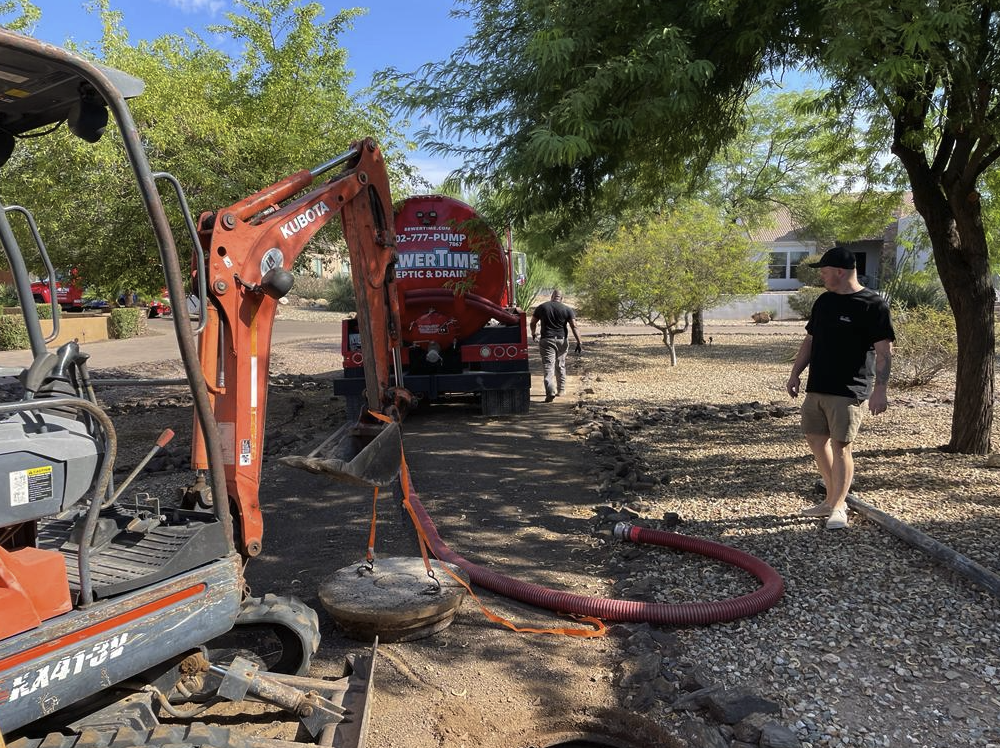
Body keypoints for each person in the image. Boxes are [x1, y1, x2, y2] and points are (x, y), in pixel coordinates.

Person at [785, 246, 895, 530]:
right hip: (818, 385)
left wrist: (880, 390)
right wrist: (796, 373)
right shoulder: (824, 302)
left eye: (824, 271)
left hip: (849, 389)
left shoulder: (873, 305)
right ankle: (832, 498)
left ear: (840, 272)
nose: (821, 276)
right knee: (814, 438)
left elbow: (884, 351)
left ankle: (837, 506)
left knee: (841, 445)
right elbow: (809, 341)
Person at [530, 289, 583, 402]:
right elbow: (574, 326)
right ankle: (561, 390)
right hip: (561, 340)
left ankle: (550, 391)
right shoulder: (567, 309)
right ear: (562, 298)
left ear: (552, 296)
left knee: (548, 366)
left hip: (547, 340)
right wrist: (579, 342)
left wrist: (533, 334)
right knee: (560, 365)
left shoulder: (542, 307)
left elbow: (532, 322)